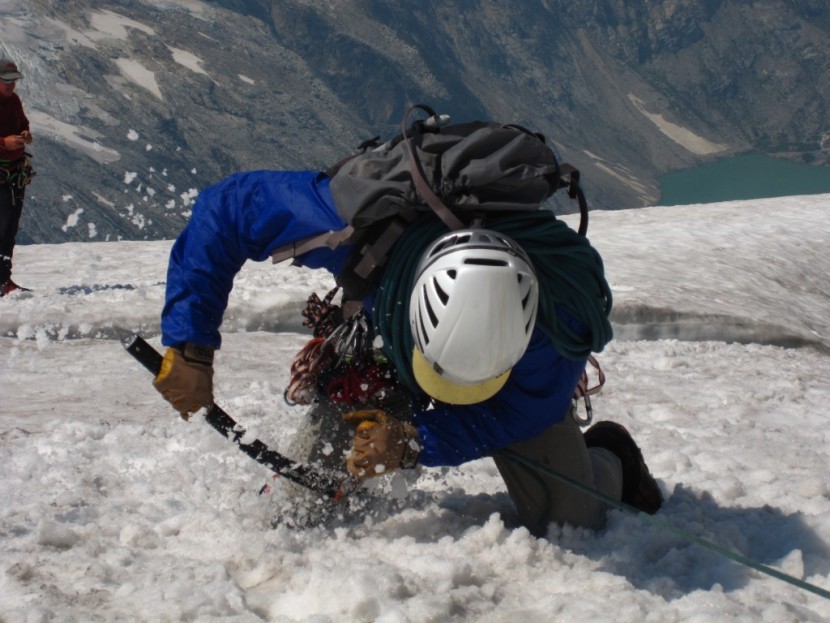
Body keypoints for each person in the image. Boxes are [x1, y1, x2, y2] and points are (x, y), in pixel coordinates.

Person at [152, 126, 662, 536]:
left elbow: (510, 417)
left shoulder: (557, 329)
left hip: (498, 377)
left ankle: (610, 454)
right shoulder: (355, 220)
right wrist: (192, 346)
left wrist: (413, 444)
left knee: (570, 523)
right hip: (382, 350)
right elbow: (224, 211)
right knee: (302, 512)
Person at [0, 58, 34, 297]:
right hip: (4, 175)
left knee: (8, 229)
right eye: (6, 81)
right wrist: (4, 143)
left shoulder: (13, 101)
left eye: (13, 81)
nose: (11, 85)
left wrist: (24, 133)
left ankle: (3, 280)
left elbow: (23, 123)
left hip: (12, 174)